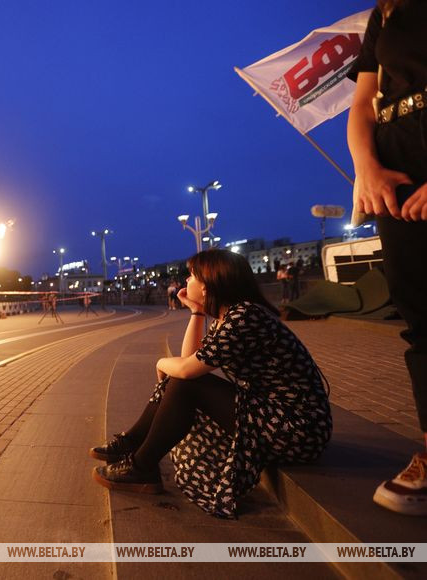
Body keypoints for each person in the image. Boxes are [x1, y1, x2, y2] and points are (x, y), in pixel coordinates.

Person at [89, 249, 332, 518]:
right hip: (270, 413)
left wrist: (160, 362)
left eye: (192, 276)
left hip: (297, 429)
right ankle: (134, 446)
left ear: (208, 285)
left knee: (185, 382)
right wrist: (196, 312)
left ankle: (141, 465)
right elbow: (189, 361)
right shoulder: (229, 318)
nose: (186, 281)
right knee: (183, 379)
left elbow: (186, 370)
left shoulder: (245, 316)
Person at [347, 0, 427, 515]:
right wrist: (367, 167)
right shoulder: (387, 12)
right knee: (419, 311)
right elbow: (363, 103)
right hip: (396, 165)